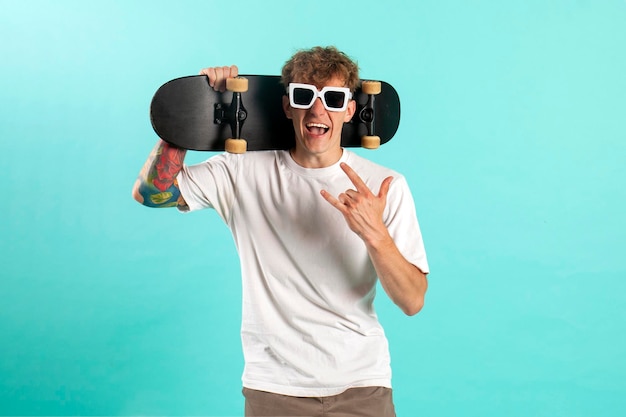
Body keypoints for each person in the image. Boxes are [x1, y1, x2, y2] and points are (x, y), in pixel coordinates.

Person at [132, 46, 429, 417]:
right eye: (304, 96)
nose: (318, 111)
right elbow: (151, 193)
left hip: (362, 385)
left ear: (350, 110)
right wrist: (193, 114)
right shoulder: (241, 172)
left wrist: (375, 234)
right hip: (274, 388)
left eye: (333, 99)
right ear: (288, 105)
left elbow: (413, 301)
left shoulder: (385, 185)